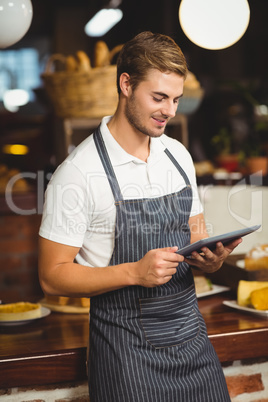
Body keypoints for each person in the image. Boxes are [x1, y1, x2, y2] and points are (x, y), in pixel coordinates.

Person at [38, 31, 242, 402]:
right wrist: (133, 272)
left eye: (176, 99)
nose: (170, 111)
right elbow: (51, 276)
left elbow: (197, 233)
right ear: (126, 84)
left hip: (193, 345)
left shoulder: (177, 156)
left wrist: (212, 260)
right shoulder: (78, 172)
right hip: (125, 358)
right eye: (159, 97)